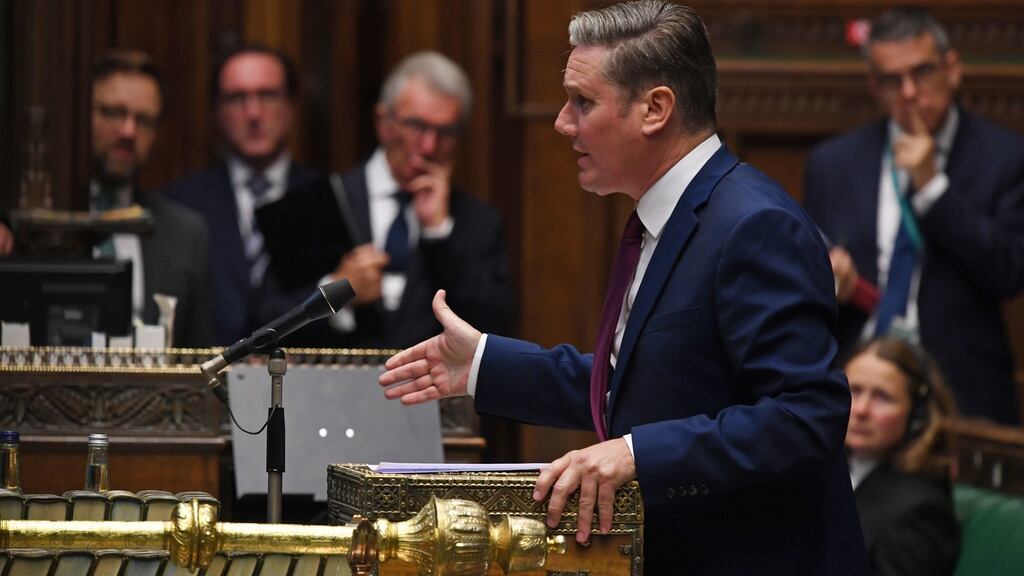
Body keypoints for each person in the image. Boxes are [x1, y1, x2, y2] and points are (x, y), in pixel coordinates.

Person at [378, 2, 867, 573]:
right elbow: (646, 383)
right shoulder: (669, 215)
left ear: (655, 109)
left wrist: (636, 454)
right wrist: (484, 365)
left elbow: (806, 415)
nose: (562, 122)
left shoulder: (754, 225)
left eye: (583, 102)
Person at [803, 8, 1024, 424]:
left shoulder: (1006, 157)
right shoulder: (833, 163)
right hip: (857, 376)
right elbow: (806, 270)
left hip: (958, 382)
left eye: (922, 73)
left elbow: (1007, 272)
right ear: (874, 86)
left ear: (952, 69)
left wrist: (932, 188)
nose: (908, 92)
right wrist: (827, 281)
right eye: (891, 80)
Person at [279, 51, 513, 349]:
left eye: (446, 132)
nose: (429, 146)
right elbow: (267, 320)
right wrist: (336, 291)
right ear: (383, 123)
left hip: (431, 390)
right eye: (416, 126)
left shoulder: (478, 221)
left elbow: (493, 331)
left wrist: (439, 235)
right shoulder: (318, 202)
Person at [162, 44, 321, 345]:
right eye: (237, 98)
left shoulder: (326, 197)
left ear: (290, 107)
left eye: (267, 95)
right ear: (217, 112)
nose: (253, 113)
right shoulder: (180, 204)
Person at [86, 50, 213, 347]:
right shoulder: (35, 220)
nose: (128, 131)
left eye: (143, 120)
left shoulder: (186, 232)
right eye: (113, 113)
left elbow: (200, 359)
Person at [845, 336, 960, 575]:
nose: (861, 410)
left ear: (918, 416)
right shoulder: (821, 470)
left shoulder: (923, 512)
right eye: (854, 390)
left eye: (882, 397)